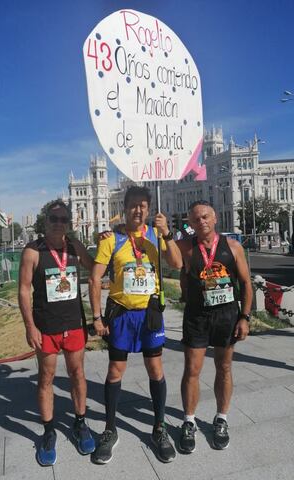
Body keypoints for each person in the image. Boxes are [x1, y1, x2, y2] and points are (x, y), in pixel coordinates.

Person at [89, 185, 182, 464]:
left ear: (149, 209)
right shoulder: (111, 240)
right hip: (121, 314)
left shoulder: (155, 235)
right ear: (125, 207)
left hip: (149, 313)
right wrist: (96, 317)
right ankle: (109, 430)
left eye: (143, 205)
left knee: (155, 369)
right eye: (133, 205)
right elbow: (94, 279)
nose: (138, 210)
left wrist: (167, 233)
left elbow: (177, 263)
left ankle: (159, 428)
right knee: (115, 370)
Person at [19, 199, 96, 466]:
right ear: (45, 221)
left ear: (69, 223)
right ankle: (49, 431)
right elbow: (24, 290)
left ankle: (80, 423)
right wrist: (30, 325)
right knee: (46, 377)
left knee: (77, 374)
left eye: (64, 219)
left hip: (74, 323)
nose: (59, 224)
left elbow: (97, 267)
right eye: (54, 219)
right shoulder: (33, 251)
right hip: (46, 326)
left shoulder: (74, 246)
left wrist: (112, 237)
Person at [176, 200, 253, 453]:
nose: (202, 222)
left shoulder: (232, 246)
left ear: (216, 217)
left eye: (206, 216)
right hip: (197, 316)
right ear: (190, 224)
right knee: (192, 369)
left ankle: (222, 418)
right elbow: (162, 251)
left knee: (224, 366)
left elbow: (245, 283)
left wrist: (245, 317)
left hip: (226, 316)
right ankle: (189, 421)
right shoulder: (186, 248)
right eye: (196, 219)